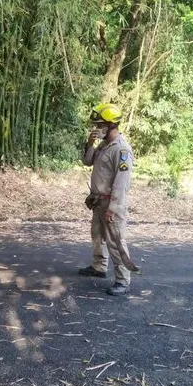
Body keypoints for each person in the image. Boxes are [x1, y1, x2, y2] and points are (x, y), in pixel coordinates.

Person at [78, 103, 135, 296]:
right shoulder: (104, 145)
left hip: (112, 203)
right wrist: (90, 143)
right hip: (98, 201)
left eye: (100, 124)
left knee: (115, 241)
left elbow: (122, 182)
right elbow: (87, 161)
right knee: (98, 237)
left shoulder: (122, 150)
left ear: (111, 125)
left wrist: (113, 207)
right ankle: (99, 267)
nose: (96, 128)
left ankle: (123, 280)